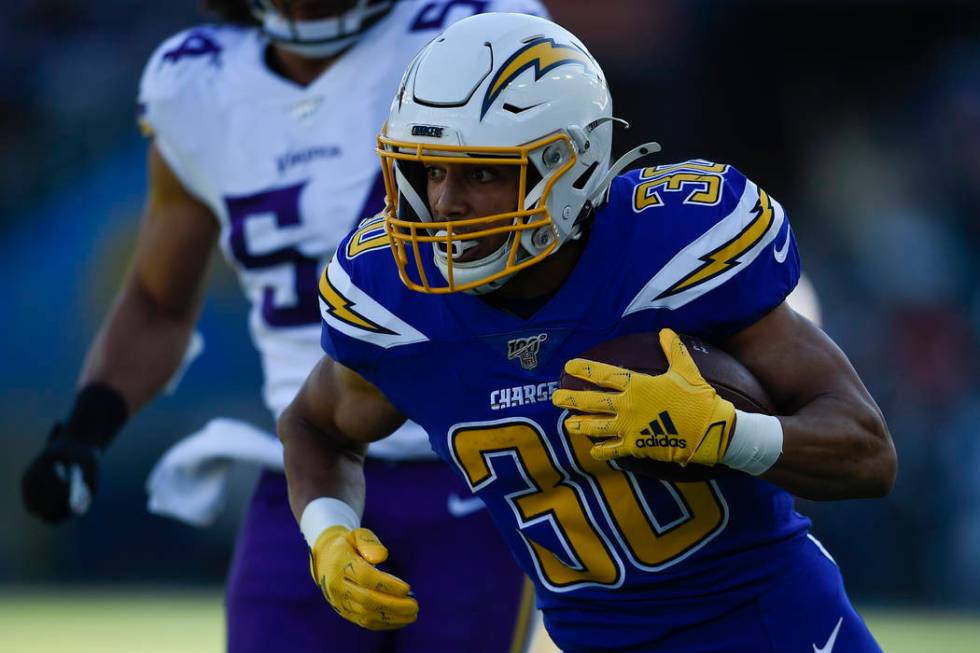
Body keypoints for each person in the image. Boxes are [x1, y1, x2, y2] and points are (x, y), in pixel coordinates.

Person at [278, 12, 897, 652]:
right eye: (430, 170)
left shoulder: (671, 252)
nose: (444, 203)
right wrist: (327, 533)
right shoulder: (395, 300)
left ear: (566, 168)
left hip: (774, 631)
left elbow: (868, 453)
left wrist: (724, 434)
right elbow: (313, 426)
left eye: (482, 173)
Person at [20, 2, 550, 652]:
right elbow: (158, 300)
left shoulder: (470, 29)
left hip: (470, 459)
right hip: (304, 467)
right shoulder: (198, 83)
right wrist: (85, 428)